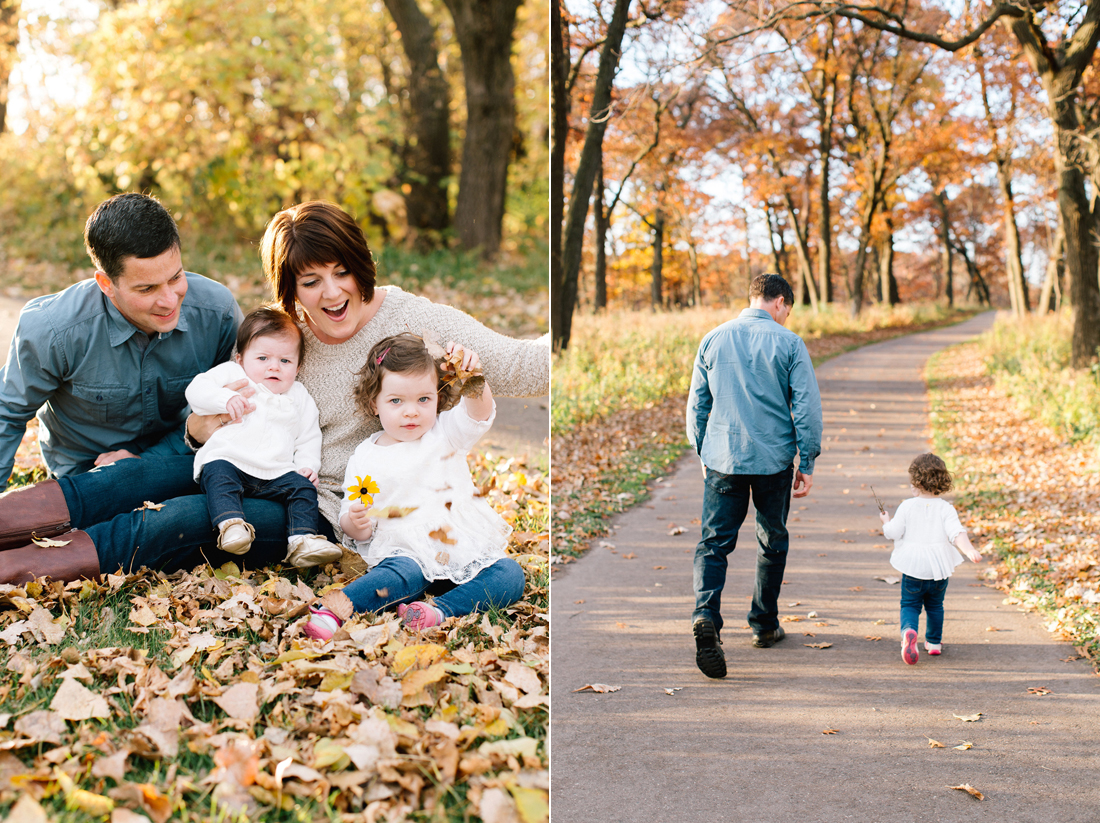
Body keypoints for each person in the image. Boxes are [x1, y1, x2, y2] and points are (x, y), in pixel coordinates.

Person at [0, 200, 548, 585]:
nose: (332, 293)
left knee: (178, 519)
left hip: (320, 507)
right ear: (290, 290)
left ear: (363, 269)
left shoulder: (416, 322)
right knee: (133, 476)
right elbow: (214, 403)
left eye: (343, 272)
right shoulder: (284, 336)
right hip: (244, 459)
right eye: (311, 281)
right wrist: (198, 431)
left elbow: (522, 365)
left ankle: (13, 569)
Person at [0, 192, 241, 556]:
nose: (169, 300)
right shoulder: (52, 329)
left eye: (175, 277)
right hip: (86, 474)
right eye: (146, 289)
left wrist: (147, 463)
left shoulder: (218, 312)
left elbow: (227, 415)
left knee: (189, 517)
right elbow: (7, 414)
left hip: (178, 458)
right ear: (106, 283)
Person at [303, 333, 522, 639]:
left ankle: (438, 611)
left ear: (438, 397)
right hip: (406, 553)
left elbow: (479, 414)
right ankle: (336, 610)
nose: (411, 411)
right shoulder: (366, 456)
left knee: (509, 574)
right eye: (396, 401)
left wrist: (474, 379)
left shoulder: (445, 432)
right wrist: (355, 523)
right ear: (374, 403)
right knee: (397, 575)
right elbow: (351, 517)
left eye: (423, 399)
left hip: (458, 548)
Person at [685, 273, 823, 679]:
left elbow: (697, 406)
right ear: (779, 301)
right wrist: (808, 461)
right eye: (787, 310)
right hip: (773, 461)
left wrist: (702, 452)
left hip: (723, 458)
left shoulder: (713, 338)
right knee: (771, 540)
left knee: (713, 543)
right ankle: (764, 625)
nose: (785, 317)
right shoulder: (790, 343)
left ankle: (705, 615)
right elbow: (807, 410)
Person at [185, 307, 342, 568]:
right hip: (231, 460)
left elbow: (308, 437)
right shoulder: (235, 375)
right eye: (262, 358)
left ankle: (302, 541)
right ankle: (231, 526)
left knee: (303, 488)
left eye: (285, 361)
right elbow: (196, 390)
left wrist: (308, 466)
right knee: (218, 474)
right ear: (240, 358)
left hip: (276, 471)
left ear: (298, 366)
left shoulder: (299, 396)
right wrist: (225, 398)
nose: (274, 367)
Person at [880, 453, 982, 665]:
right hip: (938, 569)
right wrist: (969, 550)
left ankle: (909, 632)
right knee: (936, 606)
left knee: (909, 604)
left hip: (913, 568)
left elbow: (893, 533)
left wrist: (886, 521)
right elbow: (957, 533)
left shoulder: (907, 506)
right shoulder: (946, 508)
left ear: (916, 483)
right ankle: (934, 643)